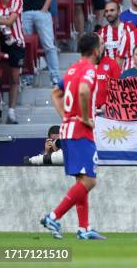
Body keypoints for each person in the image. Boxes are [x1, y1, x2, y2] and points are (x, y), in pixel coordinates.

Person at [41, 33, 106, 240]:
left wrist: (67, 116)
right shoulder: (89, 69)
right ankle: (53, 216)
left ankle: (83, 228)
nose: (103, 48)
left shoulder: (71, 69)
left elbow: (55, 93)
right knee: (90, 181)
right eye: (102, 45)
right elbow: (85, 91)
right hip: (80, 132)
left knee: (81, 179)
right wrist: (86, 118)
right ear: (96, 50)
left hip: (68, 129)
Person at [0, 0, 24, 124]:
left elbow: (10, 21)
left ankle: (11, 111)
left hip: (16, 43)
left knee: (14, 78)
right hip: (0, 41)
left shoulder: (17, 1)